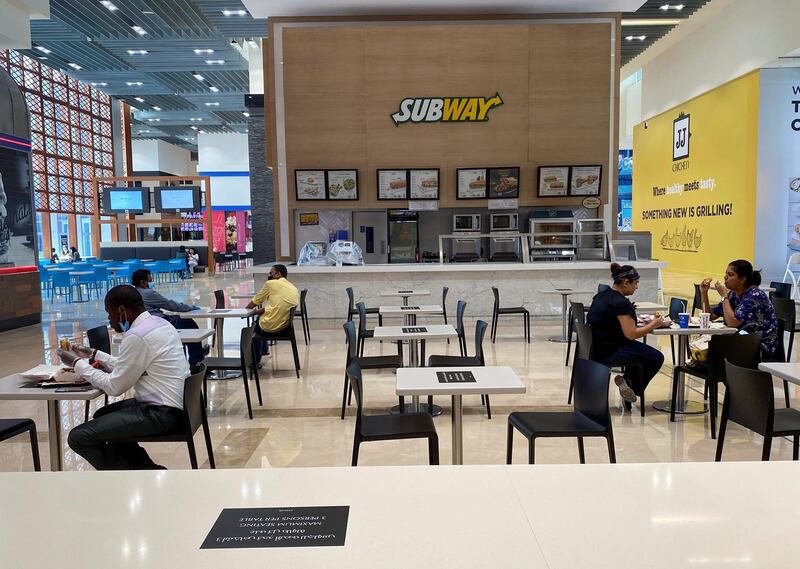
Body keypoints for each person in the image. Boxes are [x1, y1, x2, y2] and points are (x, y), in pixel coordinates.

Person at [58, 285, 190, 470]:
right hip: (174, 404)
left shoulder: (137, 335)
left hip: (161, 412)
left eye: (110, 313)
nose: (110, 320)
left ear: (121, 310)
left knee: (78, 437)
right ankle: (145, 470)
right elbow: (130, 365)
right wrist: (94, 354)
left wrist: (77, 364)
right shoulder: (160, 324)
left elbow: (115, 387)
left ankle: (120, 476)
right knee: (102, 415)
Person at [587, 263, 665, 405]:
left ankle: (628, 381)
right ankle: (631, 385)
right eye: (635, 283)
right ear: (625, 282)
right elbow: (631, 334)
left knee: (640, 352)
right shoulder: (620, 303)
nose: (636, 287)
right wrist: (655, 324)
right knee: (656, 357)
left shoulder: (602, 295)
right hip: (610, 352)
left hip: (595, 348)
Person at [700, 259, 778, 357]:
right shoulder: (733, 294)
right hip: (741, 341)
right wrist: (704, 293)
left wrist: (724, 296)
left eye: (730, 274)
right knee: (703, 347)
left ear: (742, 279)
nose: (725, 277)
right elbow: (710, 316)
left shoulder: (755, 295)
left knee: (714, 351)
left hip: (760, 347)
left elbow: (732, 323)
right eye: (726, 274)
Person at [132, 269, 208, 364]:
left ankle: (195, 353)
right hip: (158, 321)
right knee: (188, 323)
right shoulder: (148, 293)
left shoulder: (133, 293)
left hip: (147, 322)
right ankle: (196, 358)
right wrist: (191, 308)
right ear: (142, 282)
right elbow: (170, 305)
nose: (151, 283)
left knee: (183, 325)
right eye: (149, 281)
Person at [247, 264, 299, 357]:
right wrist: (258, 311)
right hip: (285, 327)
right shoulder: (292, 287)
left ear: (278, 274)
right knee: (260, 319)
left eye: (271, 273)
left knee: (254, 326)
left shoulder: (271, 284)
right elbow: (275, 306)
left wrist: (246, 311)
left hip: (272, 327)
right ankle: (264, 350)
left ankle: (255, 361)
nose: (269, 275)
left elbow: (256, 301)